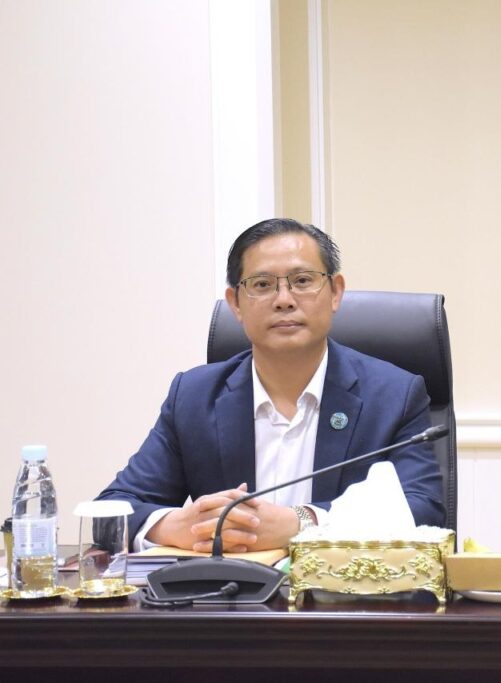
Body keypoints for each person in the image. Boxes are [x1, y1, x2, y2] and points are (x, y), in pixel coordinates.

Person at [97, 218, 444, 552]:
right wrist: (176, 526)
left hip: (336, 591)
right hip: (230, 591)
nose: (284, 299)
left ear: (335, 292)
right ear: (235, 303)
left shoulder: (393, 395)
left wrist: (303, 523)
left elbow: (423, 510)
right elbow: (110, 511)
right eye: (262, 285)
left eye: (303, 281)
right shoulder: (193, 396)